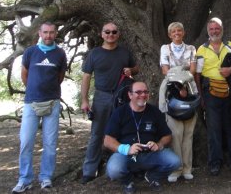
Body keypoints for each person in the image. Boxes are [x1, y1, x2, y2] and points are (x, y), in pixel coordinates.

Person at [12, 22, 68, 193]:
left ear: (56, 33)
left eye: (51, 33)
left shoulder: (60, 53)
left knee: (50, 143)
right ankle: (25, 179)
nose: (48, 36)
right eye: (45, 32)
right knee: (26, 142)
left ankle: (46, 177)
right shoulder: (30, 52)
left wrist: (48, 91)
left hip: (52, 102)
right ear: (40, 32)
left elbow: (60, 76)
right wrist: (35, 89)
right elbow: (25, 75)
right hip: (31, 102)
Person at [81, 21, 139, 184]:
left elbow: (136, 68)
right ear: (102, 34)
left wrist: (131, 71)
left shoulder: (124, 53)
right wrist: (84, 100)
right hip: (101, 97)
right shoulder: (94, 53)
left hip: (122, 97)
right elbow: (86, 77)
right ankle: (89, 171)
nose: (110, 35)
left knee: (124, 132)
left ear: (118, 34)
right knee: (97, 134)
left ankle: (123, 167)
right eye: (107, 32)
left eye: (114, 32)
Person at [104, 81, 181, 193]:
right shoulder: (119, 112)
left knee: (174, 161)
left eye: (145, 92)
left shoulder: (155, 112)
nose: (143, 95)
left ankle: (152, 176)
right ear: (130, 95)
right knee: (114, 169)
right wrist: (126, 149)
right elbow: (107, 140)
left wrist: (159, 145)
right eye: (138, 92)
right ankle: (128, 181)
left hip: (150, 154)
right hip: (126, 156)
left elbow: (167, 135)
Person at [195, 17, 231, 176]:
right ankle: (215, 163)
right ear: (208, 31)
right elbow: (197, 74)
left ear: (222, 29)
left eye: (217, 28)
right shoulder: (201, 49)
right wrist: (201, 96)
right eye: (211, 29)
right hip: (210, 91)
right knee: (213, 129)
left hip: (230, 91)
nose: (214, 31)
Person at [158, 22, 198, 182]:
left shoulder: (191, 49)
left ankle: (187, 168)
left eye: (179, 30)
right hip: (172, 89)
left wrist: (182, 77)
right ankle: (176, 169)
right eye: (173, 31)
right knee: (175, 133)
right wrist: (180, 78)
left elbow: (193, 70)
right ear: (169, 34)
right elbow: (165, 70)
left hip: (190, 89)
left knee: (188, 134)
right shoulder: (165, 48)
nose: (177, 33)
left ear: (183, 32)